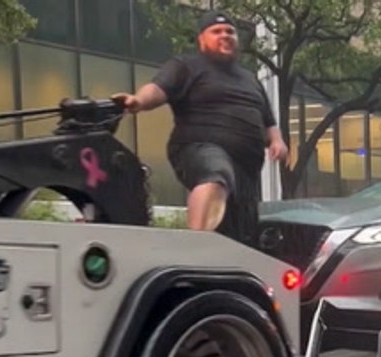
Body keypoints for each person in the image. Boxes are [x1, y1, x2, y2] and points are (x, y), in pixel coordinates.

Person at [111, 12, 288, 242]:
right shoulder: (186, 66)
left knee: (241, 232)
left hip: (247, 167)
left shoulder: (250, 79)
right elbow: (158, 89)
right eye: (216, 32)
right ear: (202, 40)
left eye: (230, 31)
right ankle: (196, 243)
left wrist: (277, 141)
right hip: (199, 146)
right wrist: (138, 101)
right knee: (216, 175)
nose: (225, 35)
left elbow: (268, 120)